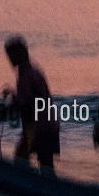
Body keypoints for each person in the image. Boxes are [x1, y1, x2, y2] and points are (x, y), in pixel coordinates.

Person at [3, 36, 60, 172]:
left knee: (20, 161)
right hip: (47, 124)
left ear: (22, 53)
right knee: (45, 165)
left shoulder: (27, 74)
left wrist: (12, 98)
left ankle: (32, 190)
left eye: (12, 54)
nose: (9, 58)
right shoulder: (32, 71)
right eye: (8, 54)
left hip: (37, 128)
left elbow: (27, 103)